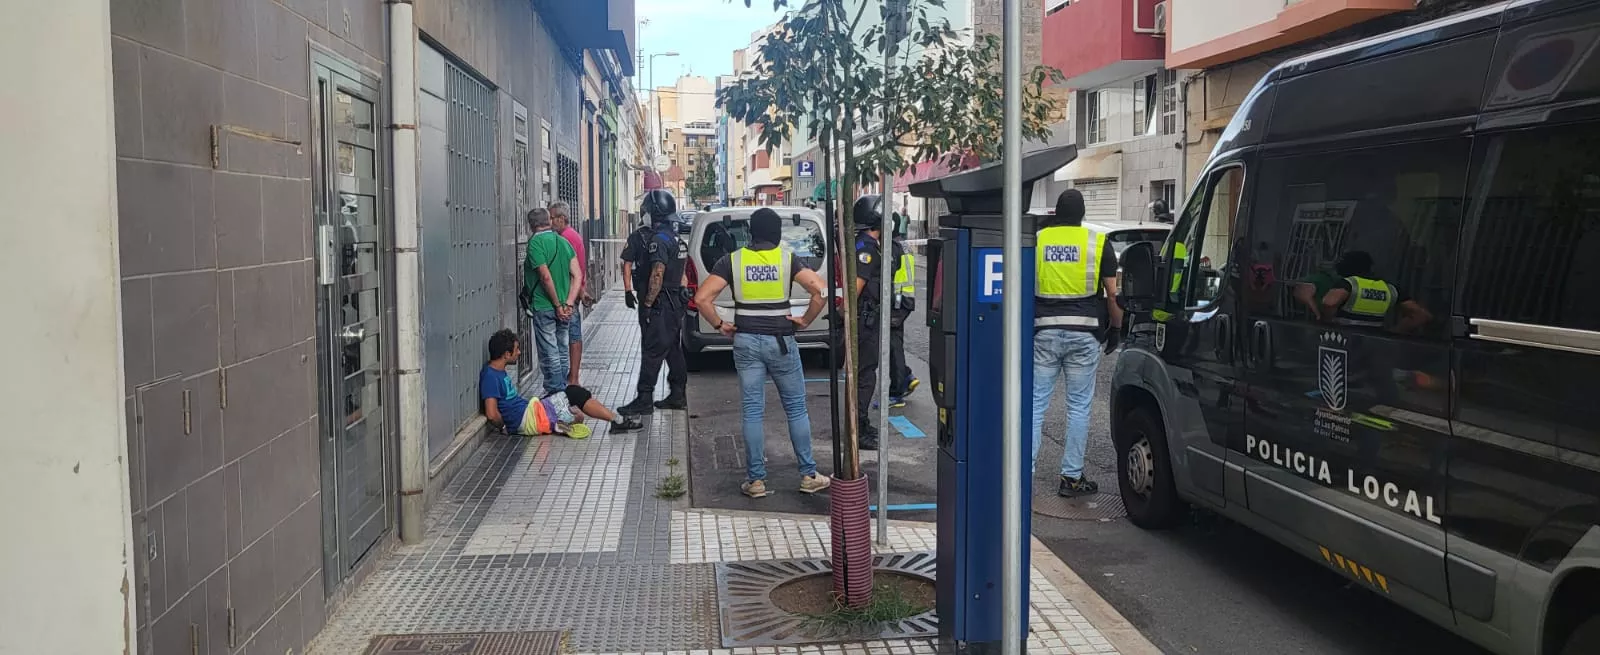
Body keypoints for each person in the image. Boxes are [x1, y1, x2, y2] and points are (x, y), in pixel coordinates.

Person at [694, 208, 832, 498]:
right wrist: (805, 320)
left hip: (745, 340)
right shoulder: (787, 260)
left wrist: (720, 324)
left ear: (750, 233)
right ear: (778, 234)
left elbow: (702, 298)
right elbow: (821, 291)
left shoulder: (732, 261)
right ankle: (808, 474)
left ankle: (755, 481)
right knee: (796, 408)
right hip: (781, 340)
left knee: (753, 411)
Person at [1031, 189, 1122, 498]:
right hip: (1085, 334)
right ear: (1082, 215)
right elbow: (1113, 294)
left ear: (1056, 213)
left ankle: (1022, 473)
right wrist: (1116, 331)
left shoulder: (1039, 240)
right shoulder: (1097, 243)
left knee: (1034, 404)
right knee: (1079, 407)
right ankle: (1071, 478)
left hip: (1043, 331)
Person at [481, 329, 643, 437]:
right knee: (574, 393)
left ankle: (561, 420)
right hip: (528, 417)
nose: (519, 352)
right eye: (516, 350)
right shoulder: (490, 376)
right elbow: (492, 413)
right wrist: (505, 427)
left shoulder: (498, 371)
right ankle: (617, 421)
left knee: (567, 393)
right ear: (506, 354)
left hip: (530, 410)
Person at [617, 190, 691, 414]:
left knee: (652, 351)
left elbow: (657, 274)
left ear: (653, 214)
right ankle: (678, 395)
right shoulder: (676, 239)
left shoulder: (658, 241)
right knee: (672, 350)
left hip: (662, 304)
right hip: (676, 302)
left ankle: (644, 398)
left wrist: (648, 304)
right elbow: (682, 273)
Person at [851, 195, 903, 451]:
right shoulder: (867, 250)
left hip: (866, 318)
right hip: (865, 320)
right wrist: (844, 315)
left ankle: (860, 424)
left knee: (865, 374)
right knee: (865, 376)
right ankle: (858, 429)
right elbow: (855, 289)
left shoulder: (866, 244)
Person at [524, 208, 582, 397]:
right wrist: (569, 304)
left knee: (549, 351)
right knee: (562, 349)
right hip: (566, 308)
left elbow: (545, 276)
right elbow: (577, 275)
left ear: (531, 225)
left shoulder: (535, 243)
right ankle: (563, 390)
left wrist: (557, 305)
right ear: (549, 221)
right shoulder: (564, 242)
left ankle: (556, 393)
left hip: (544, 306)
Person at [1317, 250, 1431, 332]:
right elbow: (1422, 315)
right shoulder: (1390, 288)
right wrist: (1394, 333)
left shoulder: (1349, 283)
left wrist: (1328, 324)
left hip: (1345, 339)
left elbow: (1329, 303)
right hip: (1375, 343)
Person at [549, 201, 590, 386]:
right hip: (571, 294)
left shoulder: (567, 238)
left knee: (572, 336)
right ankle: (572, 377)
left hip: (568, 296)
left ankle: (573, 378)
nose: (549, 222)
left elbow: (575, 270)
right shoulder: (569, 236)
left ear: (561, 219)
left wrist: (576, 294)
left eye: (552, 218)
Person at [886, 210, 919, 408]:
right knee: (892, 344)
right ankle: (906, 375)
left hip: (897, 302)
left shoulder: (892, 248)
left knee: (893, 347)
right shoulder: (904, 246)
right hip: (905, 301)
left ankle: (897, 390)